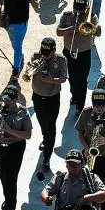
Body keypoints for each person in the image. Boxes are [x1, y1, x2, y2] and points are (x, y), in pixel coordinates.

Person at [23, 37, 68, 177]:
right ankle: (45, 138)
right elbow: (27, 70)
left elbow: (63, 79)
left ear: (54, 50)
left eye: (47, 53)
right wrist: (32, 66)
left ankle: (47, 158)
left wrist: (51, 80)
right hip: (37, 97)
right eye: (43, 51)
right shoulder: (37, 56)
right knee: (42, 123)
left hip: (52, 99)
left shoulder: (61, 60)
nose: (45, 55)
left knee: (51, 127)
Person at [58, 0, 97, 112]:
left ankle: (80, 107)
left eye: (81, 9)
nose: (78, 11)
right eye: (76, 8)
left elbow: (98, 32)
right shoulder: (67, 15)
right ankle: (74, 95)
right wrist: (72, 29)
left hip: (84, 53)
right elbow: (58, 32)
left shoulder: (91, 16)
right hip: (69, 52)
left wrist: (94, 27)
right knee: (72, 78)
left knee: (82, 81)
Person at [0, 0, 39, 73]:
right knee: (15, 45)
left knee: (18, 45)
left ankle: (16, 69)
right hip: (8, 22)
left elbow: (37, 7)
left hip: (21, 23)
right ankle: (20, 56)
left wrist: (32, 1)